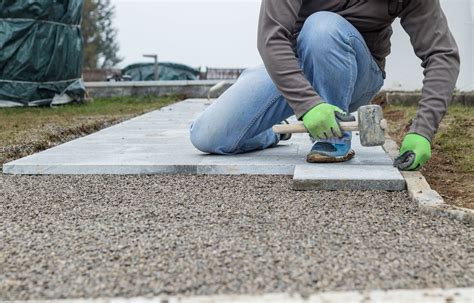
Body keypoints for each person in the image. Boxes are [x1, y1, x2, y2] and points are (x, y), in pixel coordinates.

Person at [190, 0, 460, 171]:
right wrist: (307, 105)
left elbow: (441, 54)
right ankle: (279, 132)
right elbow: (271, 37)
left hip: (359, 75)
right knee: (207, 135)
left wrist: (422, 131)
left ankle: (332, 140)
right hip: (295, 64)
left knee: (322, 27)